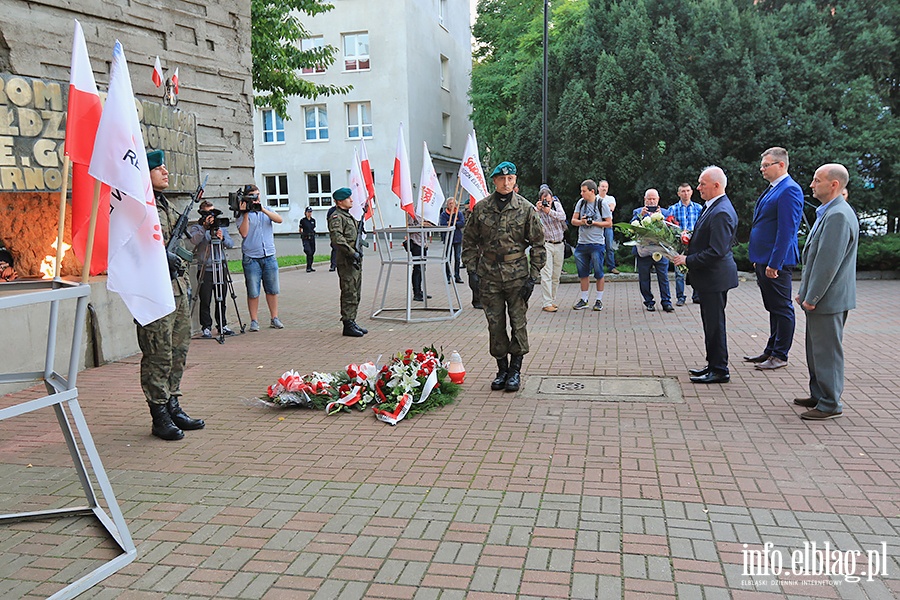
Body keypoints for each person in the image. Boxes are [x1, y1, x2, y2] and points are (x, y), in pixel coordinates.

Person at [138, 149, 205, 440]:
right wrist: (159, 258)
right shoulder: (138, 206)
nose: (165, 172)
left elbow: (184, 241)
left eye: (165, 167)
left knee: (179, 351)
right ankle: (159, 415)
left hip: (176, 288)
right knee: (158, 354)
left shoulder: (164, 205)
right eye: (158, 168)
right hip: (152, 291)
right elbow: (132, 246)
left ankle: (173, 404)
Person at [462, 161, 545, 392]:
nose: (506, 183)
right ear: (495, 181)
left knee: (518, 323)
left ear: (515, 180)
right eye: (502, 179)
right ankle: (501, 369)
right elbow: (469, 241)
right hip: (489, 275)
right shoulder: (481, 208)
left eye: (510, 179)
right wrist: (471, 271)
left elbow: (538, 244)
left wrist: (533, 276)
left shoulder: (526, 209)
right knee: (495, 324)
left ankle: (515, 370)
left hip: (517, 275)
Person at [794, 164, 857, 420]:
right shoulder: (831, 212)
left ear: (834, 185)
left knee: (827, 351)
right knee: (816, 349)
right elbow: (815, 258)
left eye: (817, 180)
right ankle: (819, 394)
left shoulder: (838, 216)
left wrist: (812, 296)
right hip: (822, 298)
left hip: (828, 299)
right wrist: (804, 292)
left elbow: (827, 263)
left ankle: (830, 403)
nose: (811, 185)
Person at [672, 166, 739, 384]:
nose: (698, 188)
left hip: (715, 278)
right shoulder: (713, 206)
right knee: (710, 324)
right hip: (710, 278)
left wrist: (687, 260)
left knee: (715, 324)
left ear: (716, 185)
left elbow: (716, 251)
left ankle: (719, 369)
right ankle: (713, 364)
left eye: (702, 184)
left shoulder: (720, 211)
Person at [745, 147, 804, 371]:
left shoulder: (790, 190)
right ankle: (771, 350)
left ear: (781, 165)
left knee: (781, 307)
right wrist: (759, 258)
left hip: (777, 262)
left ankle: (780, 355)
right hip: (764, 259)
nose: (762, 168)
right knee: (773, 307)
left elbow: (787, 230)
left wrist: (774, 263)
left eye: (766, 165)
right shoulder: (773, 189)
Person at [237, 184, 284, 331]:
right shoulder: (242, 214)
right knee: (253, 291)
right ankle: (254, 320)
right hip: (251, 258)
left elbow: (279, 220)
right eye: (252, 196)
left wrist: (262, 209)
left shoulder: (267, 210)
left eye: (257, 195)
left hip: (269, 255)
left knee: (272, 289)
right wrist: (245, 213)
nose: (256, 198)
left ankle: (274, 318)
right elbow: (244, 233)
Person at [189, 201, 236, 339]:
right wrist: (204, 228)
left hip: (220, 267)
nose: (211, 216)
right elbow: (194, 241)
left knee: (221, 298)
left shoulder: (221, 226)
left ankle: (222, 324)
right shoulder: (197, 228)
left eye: (213, 212)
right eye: (207, 213)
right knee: (205, 299)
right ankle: (206, 327)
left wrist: (221, 238)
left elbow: (231, 244)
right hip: (205, 268)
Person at [328, 187, 367, 337]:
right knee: (349, 291)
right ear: (339, 201)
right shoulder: (337, 217)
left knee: (356, 292)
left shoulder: (347, 216)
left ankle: (352, 319)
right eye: (348, 198)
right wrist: (352, 253)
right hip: (347, 260)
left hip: (355, 260)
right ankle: (347, 324)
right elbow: (338, 239)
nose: (352, 200)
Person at [571, 179, 612, 311]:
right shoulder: (580, 203)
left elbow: (609, 223)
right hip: (582, 243)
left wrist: (594, 223)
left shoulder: (602, 204)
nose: (581, 193)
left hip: (597, 243)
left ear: (592, 191)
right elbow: (573, 220)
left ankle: (599, 300)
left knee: (599, 272)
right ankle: (584, 299)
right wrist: (582, 222)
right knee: (583, 273)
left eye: (584, 191)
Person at [632, 189, 673, 312]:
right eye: (649, 199)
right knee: (644, 278)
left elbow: (671, 228)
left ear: (658, 199)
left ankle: (666, 302)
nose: (651, 201)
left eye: (653, 199)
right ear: (645, 200)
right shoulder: (638, 211)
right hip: (644, 251)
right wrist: (642, 216)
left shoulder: (665, 212)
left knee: (663, 277)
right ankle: (649, 301)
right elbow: (632, 227)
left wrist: (663, 219)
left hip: (660, 251)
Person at [667, 182, 703, 306]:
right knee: (679, 272)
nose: (685, 193)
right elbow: (669, 226)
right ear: (678, 193)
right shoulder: (673, 209)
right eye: (683, 191)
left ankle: (697, 295)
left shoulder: (698, 208)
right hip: (679, 243)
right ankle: (680, 297)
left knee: (696, 268)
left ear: (692, 192)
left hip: (695, 242)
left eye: (688, 190)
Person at [535, 185, 567, 312]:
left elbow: (563, 217)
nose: (546, 203)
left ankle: (552, 300)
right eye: (544, 201)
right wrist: (538, 209)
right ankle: (546, 302)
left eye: (548, 201)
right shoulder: (537, 209)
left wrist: (550, 211)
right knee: (546, 273)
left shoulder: (556, 206)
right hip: (546, 244)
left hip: (559, 243)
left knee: (556, 275)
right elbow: (531, 218)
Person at [405, 213, 431, 302]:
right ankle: (416, 292)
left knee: (422, 268)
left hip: (423, 244)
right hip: (416, 243)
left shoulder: (424, 212)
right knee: (417, 268)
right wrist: (421, 225)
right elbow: (409, 228)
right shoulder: (412, 213)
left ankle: (420, 291)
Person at [439, 198, 465, 284]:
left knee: (457, 258)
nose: (451, 205)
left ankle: (457, 276)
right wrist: (453, 224)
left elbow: (462, 223)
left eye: (453, 203)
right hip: (448, 238)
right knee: (448, 258)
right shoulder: (444, 214)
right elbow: (443, 224)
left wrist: (451, 223)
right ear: (447, 204)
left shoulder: (459, 213)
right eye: (450, 203)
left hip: (457, 238)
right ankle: (447, 276)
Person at [599, 180, 619, 274]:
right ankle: (594, 267)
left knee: (609, 247)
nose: (604, 188)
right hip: (597, 226)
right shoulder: (594, 198)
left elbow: (611, 208)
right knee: (597, 247)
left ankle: (611, 267)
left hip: (608, 225)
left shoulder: (611, 198)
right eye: (602, 186)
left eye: (606, 187)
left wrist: (601, 207)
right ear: (598, 188)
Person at [299, 207, 317, 272]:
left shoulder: (313, 220)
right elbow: (300, 229)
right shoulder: (303, 221)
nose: (309, 213)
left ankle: (310, 266)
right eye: (308, 212)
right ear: (305, 213)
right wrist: (303, 235)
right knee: (308, 251)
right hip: (306, 238)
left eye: (310, 212)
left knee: (312, 251)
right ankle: (308, 267)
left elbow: (313, 228)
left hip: (312, 238)